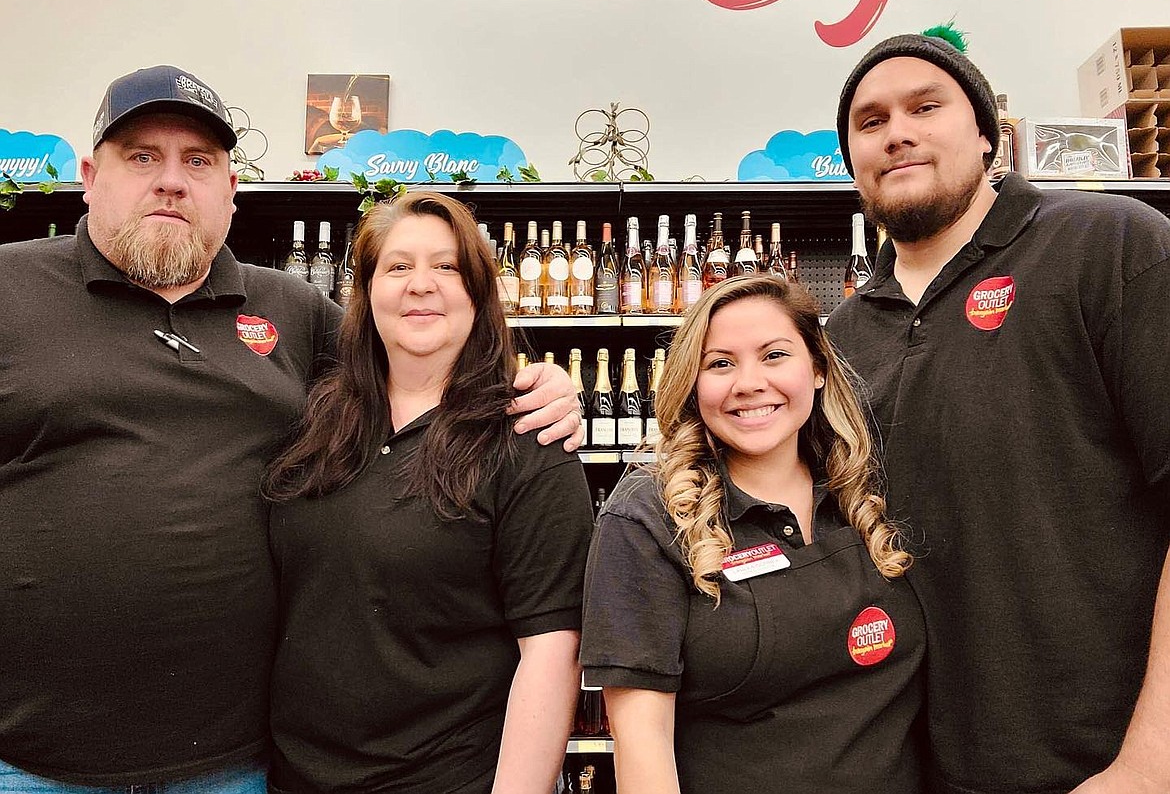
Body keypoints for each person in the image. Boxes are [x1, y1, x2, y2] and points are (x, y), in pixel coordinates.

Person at [0, 66, 582, 792]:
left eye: (199, 162)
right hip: (32, 764)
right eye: (142, 156)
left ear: (231, 191)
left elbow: (419, 351)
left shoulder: (291, 308)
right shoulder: (9, 290)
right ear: (90, 175)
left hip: (234, 765)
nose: (172, 182)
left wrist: (544, 382)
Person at [829, 30, 1170, 794]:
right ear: (852, 157)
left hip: (1104, 767)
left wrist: (1152, 762)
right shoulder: (840, 340)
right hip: (913, 769)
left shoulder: (1108, 246)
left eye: (926, 106)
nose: (898, 133)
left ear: (986, 133)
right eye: (871, 121)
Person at [261, 191, 593, 794]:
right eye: (397, 266)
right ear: (362, 292)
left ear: (480, 292)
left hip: (447, 777)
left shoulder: (526, 438)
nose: (421, 285)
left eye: (447, 266)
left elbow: (552, 653)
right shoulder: (315, 418)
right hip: (291, 777)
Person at [579, 275, 926, 793]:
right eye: (720, 363)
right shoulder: (647, 519)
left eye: (774, 355)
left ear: (818, 370)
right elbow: (642, 746)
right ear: (692, 387)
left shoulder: (868, 486)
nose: (748, 383)